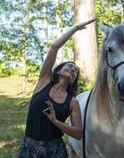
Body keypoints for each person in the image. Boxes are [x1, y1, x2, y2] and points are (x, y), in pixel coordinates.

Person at [17, 19, 96, 158]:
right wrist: (76, 28)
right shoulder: (44, 82)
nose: (73, 69)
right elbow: (54, 47)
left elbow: (78, 133)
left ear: (73, 80)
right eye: (69, 66)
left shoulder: (72, 102)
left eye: (75, 70)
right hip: (29, 147)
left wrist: (55, 121)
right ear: (58, 71)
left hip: (55, 151)